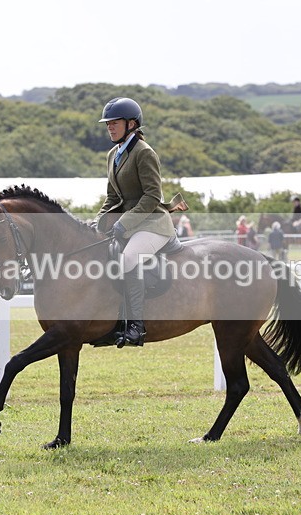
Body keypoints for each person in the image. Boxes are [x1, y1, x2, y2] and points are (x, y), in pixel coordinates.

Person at [93, 97, 182, 348]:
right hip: (128, 223)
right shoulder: (113, 154)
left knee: (129, 258)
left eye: (115, 123)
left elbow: (153, 195)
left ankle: (135, 326)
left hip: (152, 225)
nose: (109, 127)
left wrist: (124, 222)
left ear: (132, 124)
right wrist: (99, 221)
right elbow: (112, 197)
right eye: (107, 123)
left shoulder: (145, 153)